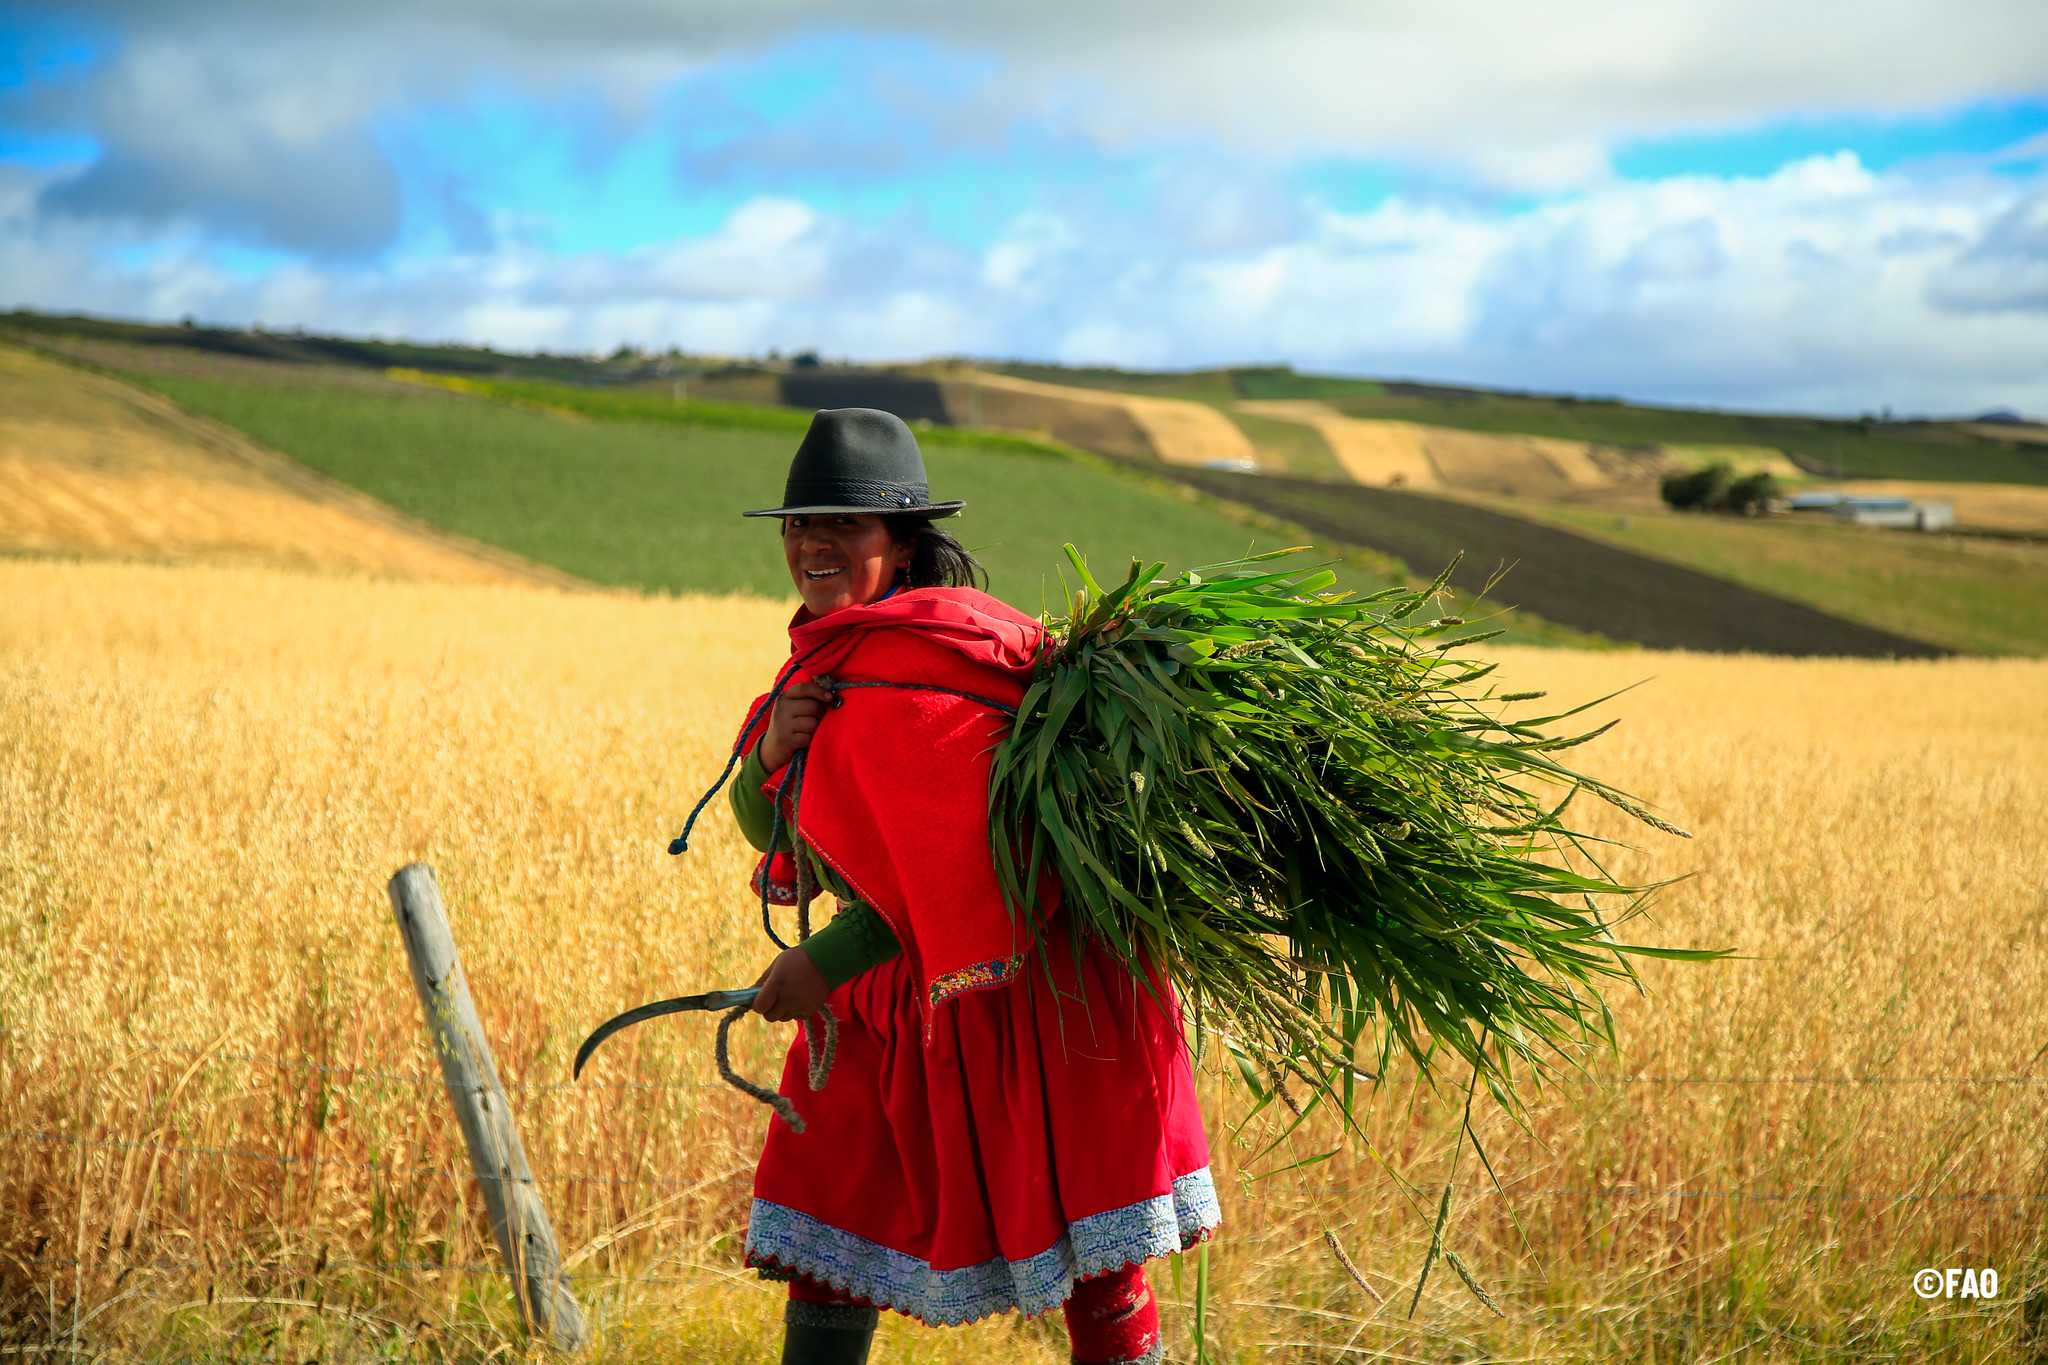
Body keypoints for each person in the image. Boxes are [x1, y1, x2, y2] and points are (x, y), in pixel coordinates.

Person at [721, 408, 1217, 1365]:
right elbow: (788, 837)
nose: (811, 544)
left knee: (1096, 1257)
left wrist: (822, 960)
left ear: (902, 543)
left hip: (1024, 994)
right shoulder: (829, 666)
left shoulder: (939, 671)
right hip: (895, 1000)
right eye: (797, 525)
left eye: (842, 525)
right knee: (829, 1215)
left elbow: (958, 871)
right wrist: (774, 749)